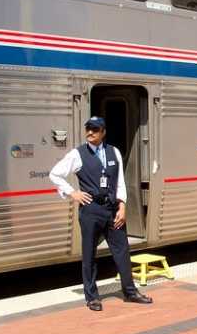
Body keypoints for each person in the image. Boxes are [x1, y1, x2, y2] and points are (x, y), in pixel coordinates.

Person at [49, 116, 153, 311]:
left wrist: (122, 206)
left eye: (95, 129)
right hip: (91, 210)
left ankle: (130, 292)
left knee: (122, 251)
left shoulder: (114, 152)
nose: (90, 132)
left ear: (103, 132)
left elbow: (120, 182)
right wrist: (73, 193)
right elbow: (55, 174)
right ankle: (92, 297)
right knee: (89, 253)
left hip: (112, 209)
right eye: (88, 129)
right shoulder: (77, 154)